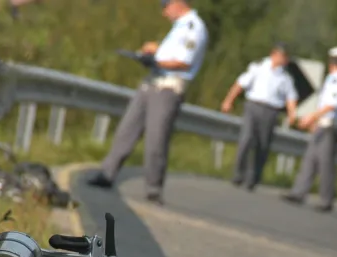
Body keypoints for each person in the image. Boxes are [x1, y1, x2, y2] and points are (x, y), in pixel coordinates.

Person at [85, 0, 208, 205]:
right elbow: (170, 54)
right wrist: (154, 51)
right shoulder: (178, 27)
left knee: (156, 138)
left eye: (165, 5)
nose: (163, 12)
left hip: (168, 88)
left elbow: (184, 61)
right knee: (127, 129)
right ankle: (107, 174)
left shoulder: (194, 27)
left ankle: (153, 188)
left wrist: (156, 61)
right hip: (151, 83)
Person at [280, 46, 337, 213]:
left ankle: (326, 200)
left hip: (331, 126)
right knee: (311, 158)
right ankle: (299, 192)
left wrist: (311, 117)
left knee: (324, 162)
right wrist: (315, 121)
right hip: (324, 124)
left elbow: (331, 105)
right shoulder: (332, 78)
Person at [221, 43, 299, 191]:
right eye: (283, 56)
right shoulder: (258, 67)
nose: (284, 60)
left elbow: (291, 97)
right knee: (246, 139)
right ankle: (238, 173)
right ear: (274, 55)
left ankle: (253, 177)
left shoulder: (285, 77)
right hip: (253, 106)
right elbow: (240, 83)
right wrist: (228, 100)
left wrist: (292, 114)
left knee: (263, 144)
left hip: (271, 110)